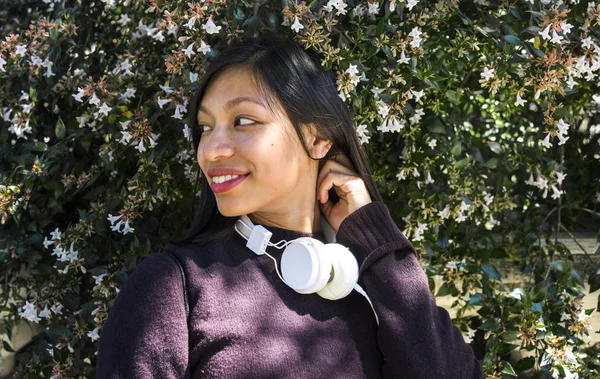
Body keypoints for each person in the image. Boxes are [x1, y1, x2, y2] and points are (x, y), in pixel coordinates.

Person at [96, 34, 484, 378]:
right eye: (205, 127)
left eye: (244, 120)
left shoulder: (368, 285)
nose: (211, 150)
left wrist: (376, 241)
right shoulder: (172, 287)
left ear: (317, 138)